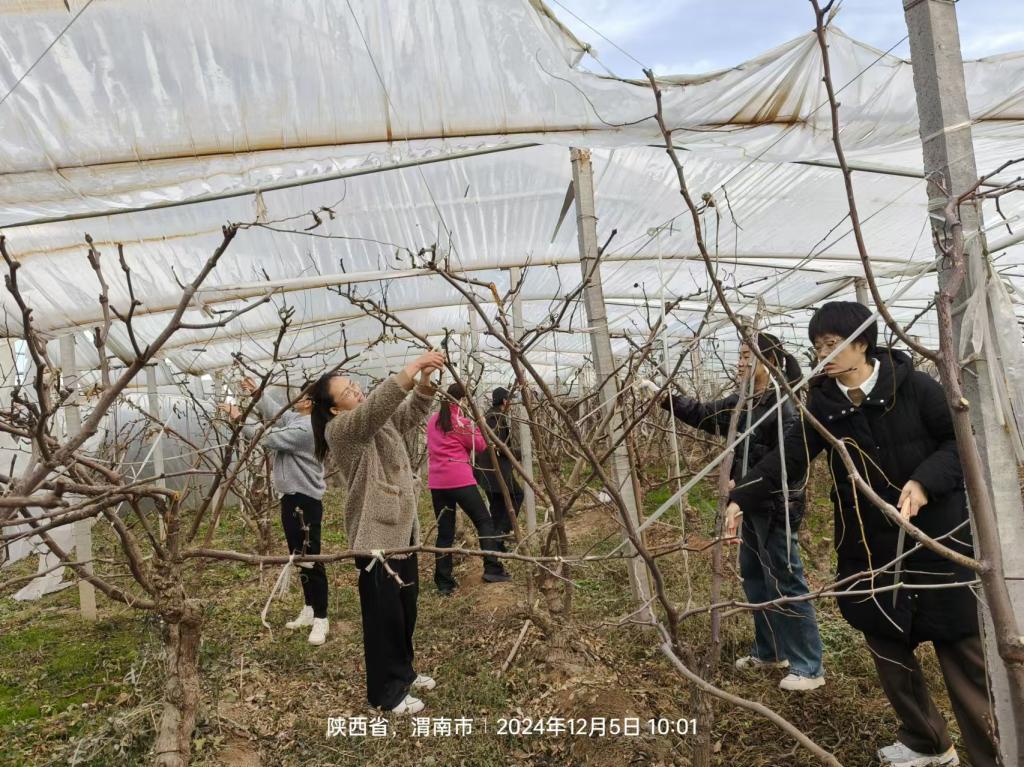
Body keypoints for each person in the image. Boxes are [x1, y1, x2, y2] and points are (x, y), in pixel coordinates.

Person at [727, 302, 995, 767]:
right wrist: (741, 497)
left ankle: (995, 752)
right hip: (867, 546)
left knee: (962, 652)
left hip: (935, 541)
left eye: (832, 344)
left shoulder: (915, 388)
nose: (823, 355)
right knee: (887, 645)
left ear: (862, 343)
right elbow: (789, 458)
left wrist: (924, 481)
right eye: (817, 347)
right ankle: (928, 742)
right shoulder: (824, 404)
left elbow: (959, 442)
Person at [644, 332, 825, 692]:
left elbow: (785, 463)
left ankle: (808, 665)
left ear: (768, 362)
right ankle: (771, 651)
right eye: (740, 356)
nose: (740, 363)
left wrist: (742, 489)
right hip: (747, 502)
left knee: (785, 579)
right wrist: (666, 399)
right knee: (755, 577)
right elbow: (707, 415)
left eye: (747, 356)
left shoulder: (782, 406)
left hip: (775, 505)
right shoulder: (744, 400)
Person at [309, 351, 444, 715]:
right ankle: (385, 694)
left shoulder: (376, 422)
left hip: (401, 530)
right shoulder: (342, 431)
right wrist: (412, 367)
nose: (357, 391)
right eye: (348, 392)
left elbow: (409, 414)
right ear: (334, 409)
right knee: (384, 618)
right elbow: (378, 406)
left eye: (355, 385)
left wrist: (425, 383)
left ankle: (404, 672)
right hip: (375, 538)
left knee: (404, 609)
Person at [222, 378, 329, 646]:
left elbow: (267, 437)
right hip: (291, 498)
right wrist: (257, 393)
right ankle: (309, 608)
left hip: (305, 500)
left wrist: (239, 417)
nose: (297, 398)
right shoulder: (297, 418)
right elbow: (276, 413)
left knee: (311, 558)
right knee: (298, 556)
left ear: (312, 403)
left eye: (304, 396)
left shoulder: (308, 428)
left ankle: (321, 617)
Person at [426, 383, 511, 594]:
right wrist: (477, 424)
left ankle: (444, 583)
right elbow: (480, 445)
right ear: (463, 400)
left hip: (437, 483)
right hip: (460, 479)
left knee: (445, 532)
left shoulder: (432, 421)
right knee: (484, 521)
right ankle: (492, 568)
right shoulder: (460, 423)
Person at [473, 386, 525, 543]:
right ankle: (502, 531)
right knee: (517, 495)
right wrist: (522, 453)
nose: (511, 404)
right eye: (510, 400)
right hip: (495, 471)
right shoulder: (496, 419)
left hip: (484, 471)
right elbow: (499, 447)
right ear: (504, 401)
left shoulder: (488, 416)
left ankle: (496, 542)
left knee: (496, 507)